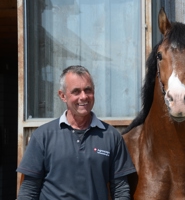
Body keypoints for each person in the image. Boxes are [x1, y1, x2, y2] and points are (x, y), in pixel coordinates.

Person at [17, 65, 136, 200]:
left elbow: (121, 190)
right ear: (63, 96)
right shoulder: (43, 136)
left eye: (88, 90)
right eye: (76, 92)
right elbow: (29, 191)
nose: (83, 97)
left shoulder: (111, 136)